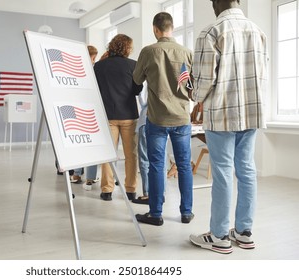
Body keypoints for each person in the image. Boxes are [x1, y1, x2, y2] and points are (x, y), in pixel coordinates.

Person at [189, 0, 268, 254]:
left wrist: (188, 86)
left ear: (215, 4)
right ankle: (244, 232)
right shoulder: (258, 31)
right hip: (252, 110)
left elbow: (202, 85)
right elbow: (262, 74)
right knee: (246, 170)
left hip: (222, 112)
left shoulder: (212, 31)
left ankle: (220, 235)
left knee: (222, 172)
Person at [133, 12, 194, 225]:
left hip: (157, 118)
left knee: (156, 165)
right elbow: (192, 88)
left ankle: (156, 214)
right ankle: (186, 213)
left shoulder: (148, 52)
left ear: (155, 29)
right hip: (181, 118)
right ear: (172, 27)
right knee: (184, 165)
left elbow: (136, 81)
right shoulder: (187, 52)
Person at [94, 34, 143, 201]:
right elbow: (137, 90)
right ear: (127, 48)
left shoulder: (99, 67)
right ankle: (130, 190)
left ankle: (107, 190)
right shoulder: (133, 65)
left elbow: (96, 90)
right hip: (128, 115)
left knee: (108, 154)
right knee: (131, 154)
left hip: (107, 115)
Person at [69, 45, 100, 191]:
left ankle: (76, 174)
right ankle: (90, 177)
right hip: (90, 111)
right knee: (91, 145)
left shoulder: (75, 70)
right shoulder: (93, 71)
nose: (94, 60)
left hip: (77, 110)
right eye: (94, 57)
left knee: (79, 144)